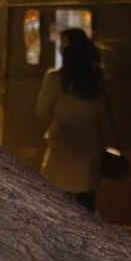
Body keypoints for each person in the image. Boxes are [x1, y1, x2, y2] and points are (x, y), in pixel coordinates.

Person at [36, 28, 114, 213]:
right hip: (89, 156)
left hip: (61, 152)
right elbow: (104, 119)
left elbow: (41, 111)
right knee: (85, 211)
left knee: (56, 210)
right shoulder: (96, 80)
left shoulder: (55, 79)